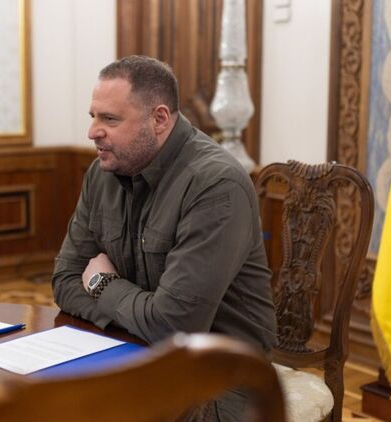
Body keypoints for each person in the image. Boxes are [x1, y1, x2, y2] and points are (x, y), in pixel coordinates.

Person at [52, 55, 276, 421]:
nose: (93, 131)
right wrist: (141, 316)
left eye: (110, 119)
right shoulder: (101, 173)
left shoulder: (215, 185)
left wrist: (102, 284)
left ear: (159, 119)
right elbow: (64, 280)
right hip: (132, 355)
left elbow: (175, 325)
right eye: (93, 116)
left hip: (222, 380)